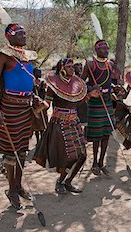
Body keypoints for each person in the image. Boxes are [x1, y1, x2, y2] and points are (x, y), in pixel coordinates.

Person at [0, 23, 39, 209]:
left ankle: (18, 185)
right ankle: (11, 189)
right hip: (9, 108)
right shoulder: (3, 57)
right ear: (9, 36)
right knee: (11, 151)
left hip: (26, 108)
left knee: (23, 149)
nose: (24, 36)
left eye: (25, 33)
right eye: (20, 33)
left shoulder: (27, 57)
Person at [34, 58, 100, 193]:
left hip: (74, 122)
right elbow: (47, 103)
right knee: (68, 156)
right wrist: (38, 107)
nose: (72, 69)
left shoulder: (76, 83)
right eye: (69, 66)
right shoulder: (53, 84)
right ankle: (60, 182)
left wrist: (90, 95)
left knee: (82, 155)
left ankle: (67, 181)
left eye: (72, 66)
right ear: (62, 68)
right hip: (59, 124)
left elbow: (76, 103)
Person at [81, 40, 121, 176]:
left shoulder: (110, 65)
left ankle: (102, 162)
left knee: (106, 135)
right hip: (95, 102)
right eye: (104, 48)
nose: (107, 50)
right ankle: (94, 164)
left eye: (108, 48)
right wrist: (92, 88)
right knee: (97, 136)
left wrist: (115, 88)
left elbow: (111, 82)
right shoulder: (90, 64)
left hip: (107, 101)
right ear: (97, 49)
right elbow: (81, 83)